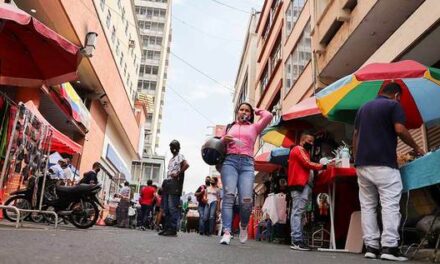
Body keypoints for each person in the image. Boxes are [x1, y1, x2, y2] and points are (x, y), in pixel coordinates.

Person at [353, 82, 425, 261]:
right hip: (384, 163)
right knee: (390, 205)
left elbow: (355, 135)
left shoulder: (363, 108)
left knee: (368, 206)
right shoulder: (393, 105)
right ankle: (389, 248)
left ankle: (371, 246)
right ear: (397, 96)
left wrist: (356, 159)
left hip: (362, 165)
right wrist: (416, 147)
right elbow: (400, 129)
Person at [219, 102, 273, 245]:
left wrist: (255, 110)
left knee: (246, 200)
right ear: (237, 112)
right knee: (229, 196)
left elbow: (269, 115)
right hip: (230, 162)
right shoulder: (229, 127)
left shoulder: (254, 127)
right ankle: (226, 232)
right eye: (241, 109)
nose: (243, 112)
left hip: (247, 164)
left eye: (246, 110)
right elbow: (218, 144)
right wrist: (225, 139)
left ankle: (243, 225)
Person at [287, 132, 327, 251]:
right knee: (298, 212)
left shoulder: (304, 152)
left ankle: (298, 239)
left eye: (312, 142)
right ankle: (296, 240)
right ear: (302, 140)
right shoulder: (298, 149)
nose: (311, 143)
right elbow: (307, 163)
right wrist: (323, 166)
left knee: (300, 212)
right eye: (309, 141)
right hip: (300, 184)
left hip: (304, 185)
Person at [159, 140, 189, 237]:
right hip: (168, 183)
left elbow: (186, 164)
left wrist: (178, 173)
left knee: (172, 207)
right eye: (171, 146)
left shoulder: (180, 156)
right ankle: (166, 228)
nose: (172, 148)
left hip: (175, 183)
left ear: (178, 147)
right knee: (166, 208)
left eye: (174, 146)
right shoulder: (171, 159)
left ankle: (172, 229)